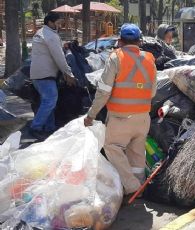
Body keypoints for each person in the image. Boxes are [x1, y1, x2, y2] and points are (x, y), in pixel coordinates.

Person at [84, 24, 157, 196]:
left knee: (112, 147)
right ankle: (139, 186)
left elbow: (103, 91)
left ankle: (132, 186)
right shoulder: (149, 58)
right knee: (137, 154)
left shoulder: (116, 57)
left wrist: (91, 115)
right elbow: (153, 91)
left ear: (120, 40)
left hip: (120, 117)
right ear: (140, 41)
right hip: (143, 117)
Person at [30, 12, 76, 140]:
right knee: (50, 100)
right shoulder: (50, 35)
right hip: (45, 74)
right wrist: (69, 73)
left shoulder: (40, 33)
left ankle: (50, 128)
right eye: (58, 23)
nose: (60, 25)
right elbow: (59, 57)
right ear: (50, 22)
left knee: (48, 102)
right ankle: (35, 127)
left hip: (37, 74)